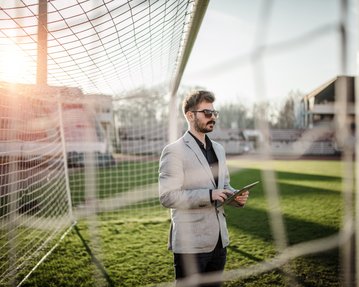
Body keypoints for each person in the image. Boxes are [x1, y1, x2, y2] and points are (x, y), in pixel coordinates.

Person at [158, 90, 249, 287]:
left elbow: (223, 186)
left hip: (219, 242)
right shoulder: (173, 151)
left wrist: (234, 196)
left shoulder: (219, 149)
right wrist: (209, 195)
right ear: (190, 115)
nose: (213, 117)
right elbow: (167, 197)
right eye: (207, 113)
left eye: (214, 113)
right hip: (190, 245)